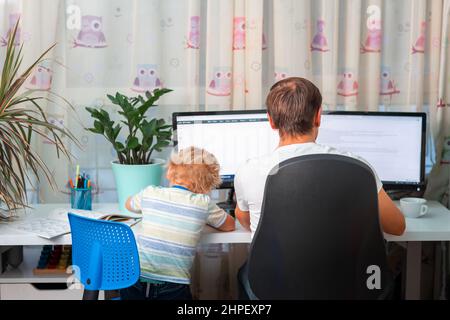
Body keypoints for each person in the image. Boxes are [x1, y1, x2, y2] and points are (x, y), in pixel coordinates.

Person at [234, 77, 405, 236]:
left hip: (271, 269)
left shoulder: (247, 171)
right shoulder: (357, 168)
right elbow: (397, 227)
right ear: (318, 116)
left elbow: (246, 221)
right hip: (339, 269)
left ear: (271, 121)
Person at [121, 146, 235, 300]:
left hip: (135, 279)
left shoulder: (150, 193)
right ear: (205, 186)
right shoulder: (202, 203)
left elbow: (128, 204)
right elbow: (229, 225)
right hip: (174, 286)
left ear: (170, 172)